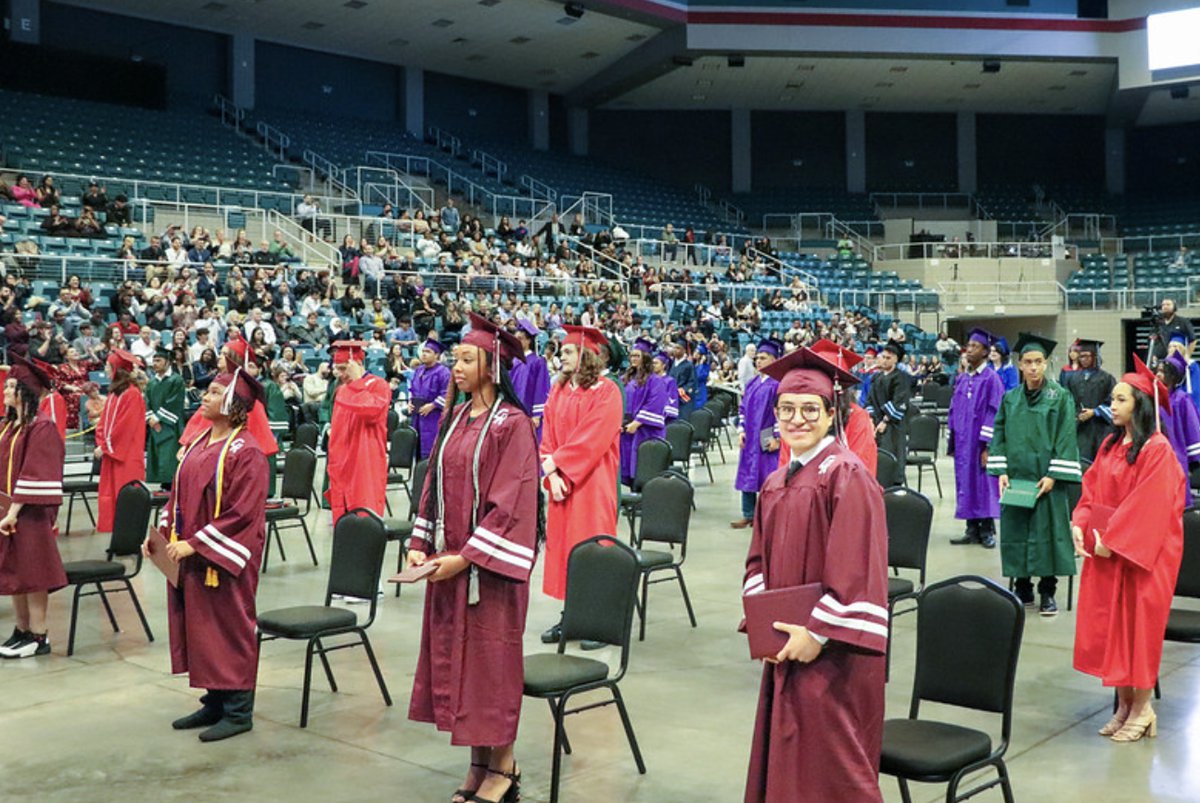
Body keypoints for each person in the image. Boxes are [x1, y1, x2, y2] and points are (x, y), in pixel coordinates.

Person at [742, 347, 888, 803]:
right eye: (786, 409)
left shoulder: (847, 475)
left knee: (832, 769)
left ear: (831, 415)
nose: (796, 419)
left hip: (833, 657)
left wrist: (817, 635)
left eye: (810, 410)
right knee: (790, 758)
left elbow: (858, 571)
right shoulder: (776, 481)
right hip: (786, 647)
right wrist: (766, 629)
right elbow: (756, 562)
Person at [406, 314, 538, 803]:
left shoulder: (513, 425)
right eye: (455, 358)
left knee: (491, 667)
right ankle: (478, 761)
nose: (455, 366)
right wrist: (421, 541)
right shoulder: (457, 417)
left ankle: (504, 766)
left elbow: (513, 505)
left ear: (492, 365)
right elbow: (433, 484)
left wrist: (466, 557)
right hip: (451, 563)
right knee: (463, 668)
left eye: (466, 359)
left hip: (490, 574)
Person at [1072, 357, 1184, 743]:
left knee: (1138, 629)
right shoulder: (1110, 443)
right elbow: (1092, 489)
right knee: (1113, 628)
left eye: (1120, 399)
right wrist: (1080, 524)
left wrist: (1113, 541)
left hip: (1144, 556)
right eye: (1113, 399)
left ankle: (1143, 708)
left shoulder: (1158, 451)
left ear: (1140, 404)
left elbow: (1149, 507)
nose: (1113, 405)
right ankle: (1123, 704)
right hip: (1109, 550)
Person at [152, 370, 269, 741]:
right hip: (192, 555)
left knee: (229, 626)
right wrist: (164, 536)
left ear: (234, 405)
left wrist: (197, 544)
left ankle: (238, 711)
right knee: (202, 627)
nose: (204, 396)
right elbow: (178, 497)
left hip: (224, 559)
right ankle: (215, 700)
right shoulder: (201, 442)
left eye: (215, 392)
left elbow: (243, 514)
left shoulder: (247, 451)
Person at [987, 333, 1083, 616]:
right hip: (1018, 480)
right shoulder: (1010, 398)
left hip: (1046, 481)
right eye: (1028, 362)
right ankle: (1023, 587)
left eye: (1038, 362)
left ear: (1046, 363)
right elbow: (999, 435)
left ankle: (1048, 590)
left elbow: (1067, 436)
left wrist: (1054, 475)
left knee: (1049, 535)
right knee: (1018, 532)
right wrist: (1001, 471)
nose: (1033, 368)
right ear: (1019, 364)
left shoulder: (1060, 397)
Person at [538, 325, 623, 642]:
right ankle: (571, 617)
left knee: (593, 548)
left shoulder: (607, 391)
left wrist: (557, 465)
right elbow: (548, 437)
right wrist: (553, 474)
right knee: (565, 551)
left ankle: (599, 621)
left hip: (593, 483)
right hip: (563, 486)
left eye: (569, 351)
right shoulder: (558, 390)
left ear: (586, 355)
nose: (562, 355)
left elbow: (592, 439)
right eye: (562, 351)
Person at [0, 356, 67, 659]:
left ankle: (39, 635)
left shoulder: (42, 427)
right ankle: (21, 630)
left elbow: (36, 471)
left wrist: (13, 512)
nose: (5, 391)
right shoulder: (10, 427)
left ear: (25, 391)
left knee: (33, 573)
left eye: (11, 386)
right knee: (14, 572)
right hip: (8, 512)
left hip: (30, 513)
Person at [777, 339, 877, 477]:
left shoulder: (857, 417)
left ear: (840, 387)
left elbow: (860, 471)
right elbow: (784, 466)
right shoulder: (797, 419)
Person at [947, 329, 1006, 549]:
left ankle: (987, 530)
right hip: (964, 443)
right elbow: (954, 410)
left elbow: (995, 412)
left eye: (974, 346)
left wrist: (988, 447)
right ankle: (971, 530)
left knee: (983, 485)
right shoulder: (963, 378)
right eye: (968, 346)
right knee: (965, 483)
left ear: (984, 352)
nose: (969, 349)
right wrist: (953, 439)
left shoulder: (992, 379)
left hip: (980, 443)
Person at [325, 341, 390, 523]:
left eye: (345, 368)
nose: (341, 374)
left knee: (365, 513)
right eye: (338, 369)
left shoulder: (378, 385)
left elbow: (372, 411)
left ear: (358, 364)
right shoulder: (342, 390)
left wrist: (358, 382)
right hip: (342, 461)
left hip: (365, 459)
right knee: (343, 518)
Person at [732, 339, 782, 529]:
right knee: (748, 473)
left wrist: (777, 438)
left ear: (774, 360)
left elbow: (782, 412)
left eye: (763, 358)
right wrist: (741, 430)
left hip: (766, 436)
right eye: (757, 358)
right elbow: (742, 408)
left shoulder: (778, 384)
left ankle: (766, 516)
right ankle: (748, 514)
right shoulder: (753, 383)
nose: (758, 361)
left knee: (767, 475)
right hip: (751, 437)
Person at [96, 350, 147, 533]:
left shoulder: (132, 394)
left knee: (126, 496)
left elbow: (125, 427)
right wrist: (102, 442)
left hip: (126, 455)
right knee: (111, 495)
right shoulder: (114, 394)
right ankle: (117, 534)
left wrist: (105, 446)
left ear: (117, 369)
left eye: (108, 367)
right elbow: (103, 423)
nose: (105, 370)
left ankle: (128, 538)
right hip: (112, 453)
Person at [620, 338, 667, 487]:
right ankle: (634, 495)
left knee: (643, 467)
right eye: (632, 355)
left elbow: (655, 404)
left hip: (645, 431)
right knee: (627, 466)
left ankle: (645, 500)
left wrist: (637, 422)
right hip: (626, 430)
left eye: (637, 355)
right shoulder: (625, 378)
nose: (633, 359)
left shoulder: (655, 380)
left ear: (645, 358)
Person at [1155, 351, 1200, 506]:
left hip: (1176, 456)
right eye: (1158, 371)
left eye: (1163, 372)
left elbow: (1192, 431)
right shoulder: (1153, 398)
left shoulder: (1181, 399)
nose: (1158, 375)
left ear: (1173, 376)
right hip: (1155, 456)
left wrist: (1193, 463)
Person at [1062, 340, 1116, 464]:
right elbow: (1068, 400)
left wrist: (1095, 412)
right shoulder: (1072, 378)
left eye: (1086, 356)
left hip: (1099, 428)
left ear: (1095, 356)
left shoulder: (1107, 378)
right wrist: (1076, 415)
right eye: (1081, 356)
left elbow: (1113, 403)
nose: (1083, 359)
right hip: (1079, 428)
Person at [865, 340, 910, 474]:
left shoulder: (900, 378)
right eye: (883, 357)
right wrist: (872, 419)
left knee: (892, 458)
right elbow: (869, 401)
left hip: (893, 425)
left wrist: (885, 420)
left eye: (888, 358)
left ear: (896, 360)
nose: (884, 360)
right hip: (877, 423)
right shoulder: (876, 377)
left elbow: (900, 401)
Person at [146, 347, 186, 490]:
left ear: (168, 362)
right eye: (153, 361)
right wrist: (151, 418)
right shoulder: (151, 382)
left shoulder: (176, 380)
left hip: (171, 425)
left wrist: (158, 418)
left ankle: (172, 486)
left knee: (170, 457)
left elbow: (175, 402)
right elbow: (147, 402)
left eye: (158, 360)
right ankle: (163, 486)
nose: (155, 364)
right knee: (158, 457)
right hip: (155, 426)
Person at [408, 339, 452, 460]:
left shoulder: (444, 372)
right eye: (423, 351)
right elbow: (412, 390)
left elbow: (447, 393)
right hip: (417, 417)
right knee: (416, 450)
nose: (424, 354)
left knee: (431, 452)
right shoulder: (418, 370)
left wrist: (432, 405)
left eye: (428, 351)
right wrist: (410, 403)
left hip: (433, 417)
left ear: (436, 355)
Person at [509, 320, 550, 440]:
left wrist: (537, 415)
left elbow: (541, 388)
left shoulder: (537, 361)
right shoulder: (513, 361)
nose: (517, 341)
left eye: (520, 338)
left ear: (528, 341)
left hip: (529, 410)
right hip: (514, 409)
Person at [669, 337, 697, 421]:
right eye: (674, 348)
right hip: (671, 398)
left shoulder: (689, 365)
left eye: (678, 348)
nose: (675, 350)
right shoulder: (671, 364)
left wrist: (681, 391)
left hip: (682, 399)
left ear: (684, 350)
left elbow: (692, 382)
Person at [653, 351, 679, 421]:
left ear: (663, 365)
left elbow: (672, 400)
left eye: (656, 363)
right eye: (652, 363)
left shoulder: (670, 381)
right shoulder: (650, 380)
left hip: (662, 418)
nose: (653, 365)